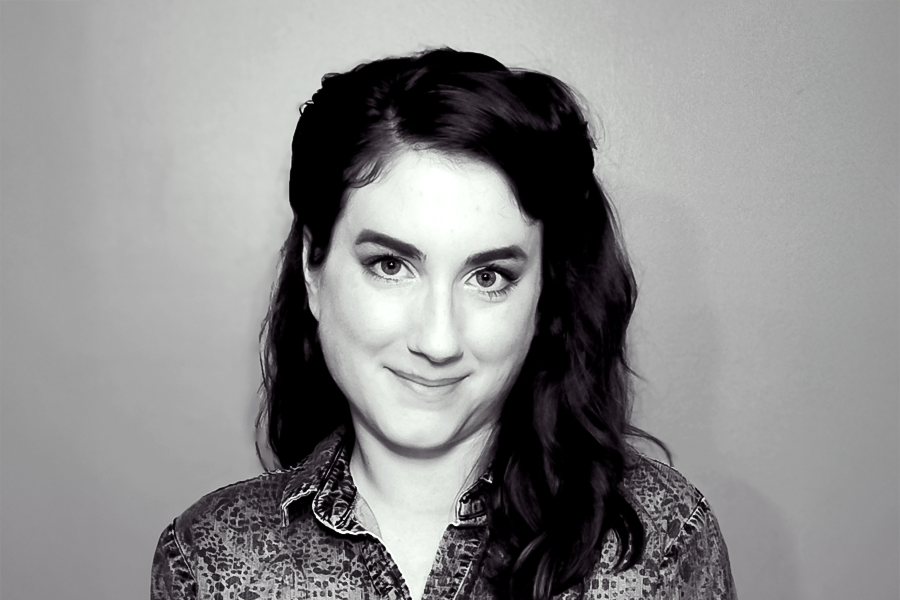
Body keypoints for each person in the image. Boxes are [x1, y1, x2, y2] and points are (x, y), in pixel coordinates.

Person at [151, 48, 737, 600]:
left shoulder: (658, 544)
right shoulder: (211, 560)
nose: (437, 341)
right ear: (313, 267)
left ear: (544, 292)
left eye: (488, 277)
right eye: (390, 265)